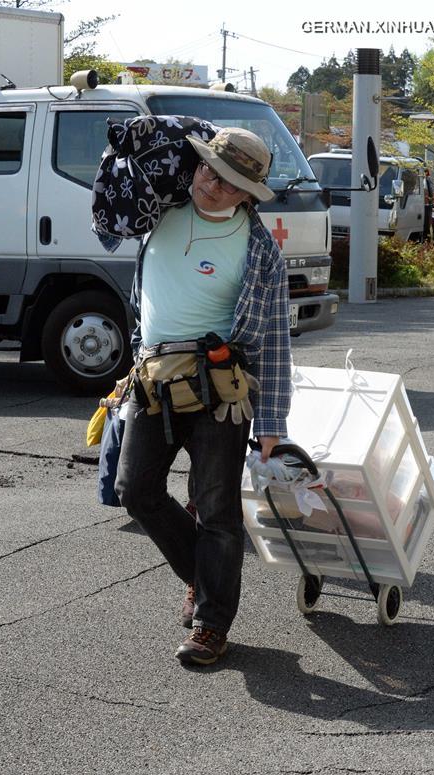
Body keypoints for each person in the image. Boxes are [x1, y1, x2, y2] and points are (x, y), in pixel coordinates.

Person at [114, 127, 291, 666]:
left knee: (216, 508)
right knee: (135, 489)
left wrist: (272, 422)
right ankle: (202, 576)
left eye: (228, 180)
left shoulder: (261, 251)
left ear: (246, 194)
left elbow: (275, 339)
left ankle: (211, 625)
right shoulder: (157, 215)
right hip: (153, 377)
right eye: (207, 169)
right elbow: (109, 208)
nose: (211, 183)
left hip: (221, 388)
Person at [423, 167, 434, 240]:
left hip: (427, 204)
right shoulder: (424, 180)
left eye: (425, 172)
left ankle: (428, 238)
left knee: (428, 223)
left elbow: (430, 191)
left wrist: (430, 199)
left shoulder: (428, 179)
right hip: (425, 203)